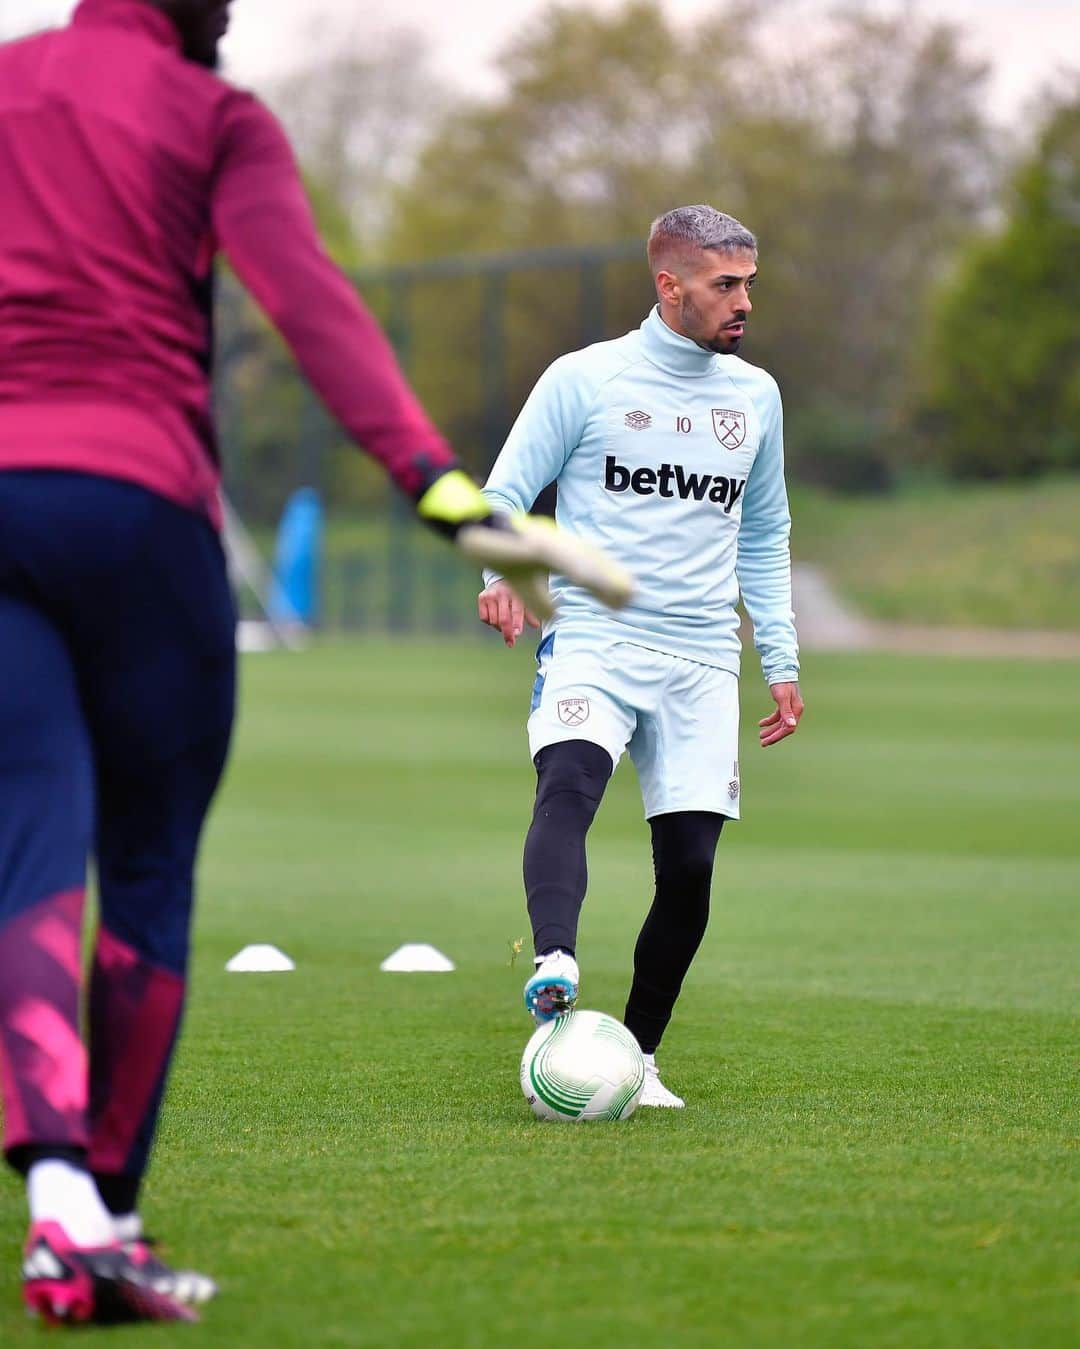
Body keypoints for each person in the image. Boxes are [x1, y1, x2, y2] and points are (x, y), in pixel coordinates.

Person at [0, 0, 630, 1327]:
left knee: (29, 846)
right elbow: (308, 302)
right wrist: (445, 493)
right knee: (150, 872)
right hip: (139, 509)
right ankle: (101, 1209)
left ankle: (58, 1200)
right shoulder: (216, 115)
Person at [478, 204, 804, 1109]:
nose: (743, 302)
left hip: (702, 657)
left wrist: (781, 656)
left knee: (691, 868)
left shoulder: (756, 397)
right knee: (569, 783)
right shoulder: (585, 379)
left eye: (748, 284)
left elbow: (766, 532)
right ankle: (555, 958)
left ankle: (640, 1058)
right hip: (595, 634)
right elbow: (501, 494)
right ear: (670, 286)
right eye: (725, 285)